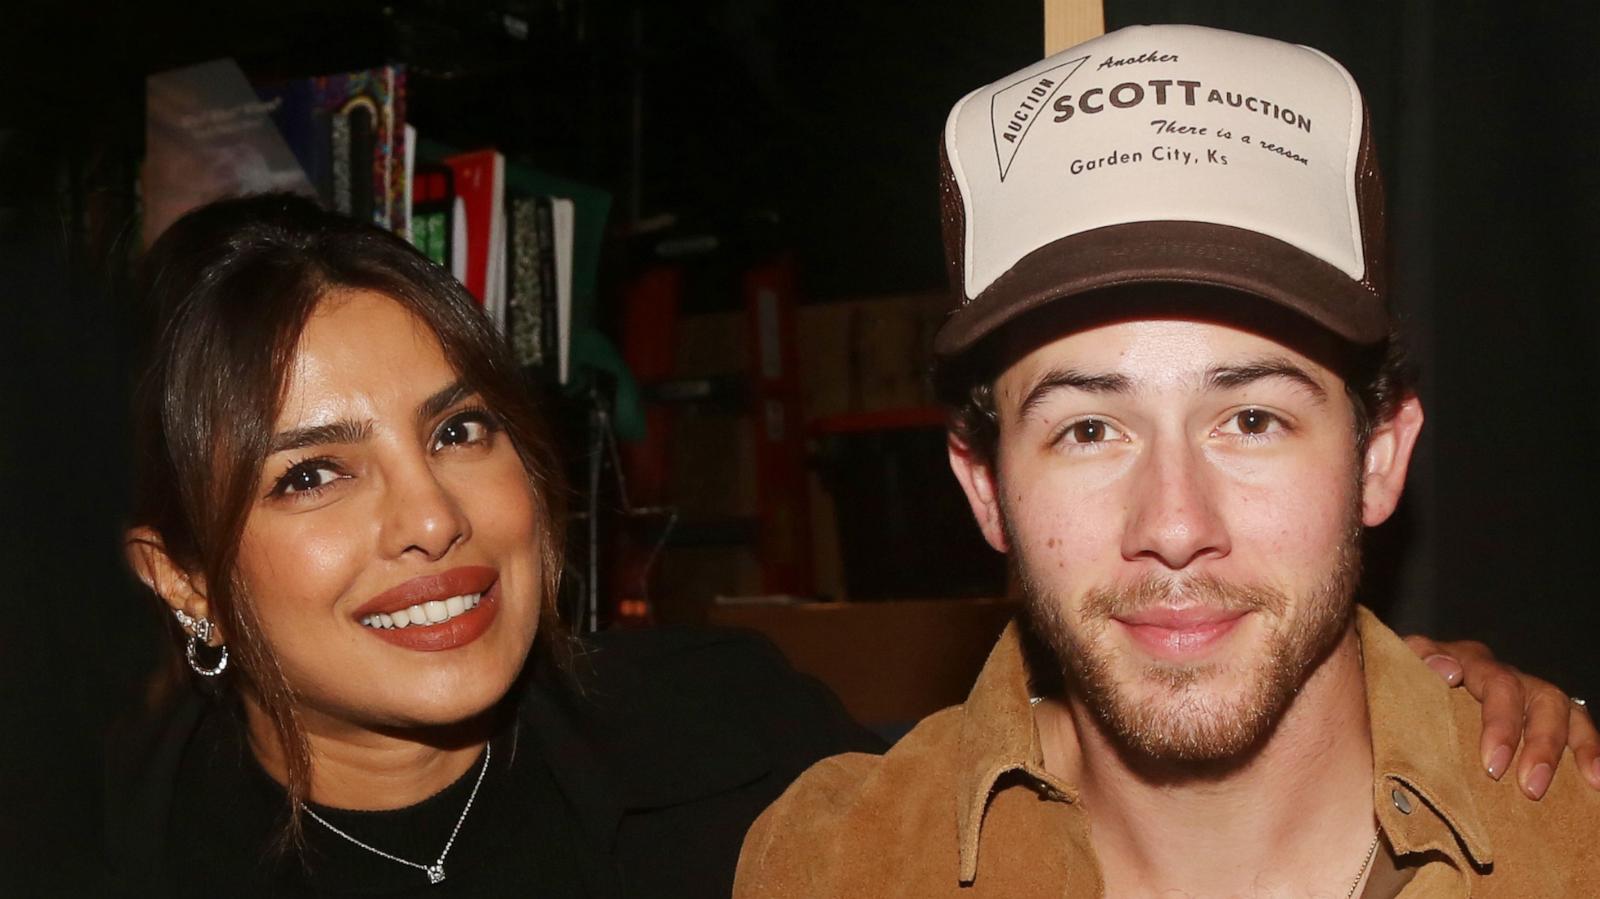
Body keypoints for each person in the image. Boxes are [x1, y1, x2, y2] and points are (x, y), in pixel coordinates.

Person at [735, 24, 1600, 898]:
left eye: (1252, 419)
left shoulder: (1571, 847)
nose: (1175, 526)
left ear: (1378, 454)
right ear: (986, 486)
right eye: (1088, 430)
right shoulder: (842, 862)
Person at [106, 193, 882, 898]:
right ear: (182, 575)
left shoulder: (740, 736)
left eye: (458, 430)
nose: (433, 518)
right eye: (311, 474)